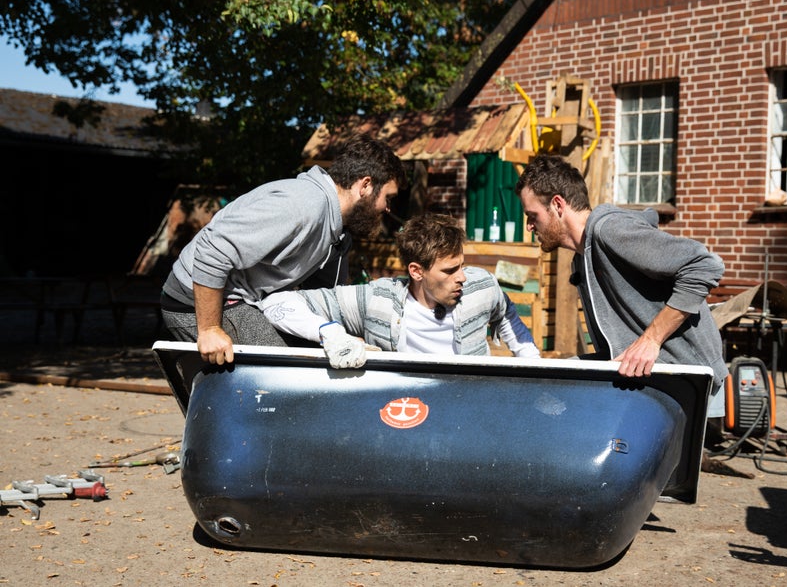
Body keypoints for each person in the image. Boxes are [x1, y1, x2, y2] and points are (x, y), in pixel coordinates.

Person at [160, 135, 405, 365]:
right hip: (198, 302)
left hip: (243, 299)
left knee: (325, 357)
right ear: (365, 185)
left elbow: (322, 297)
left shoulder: (335, 231)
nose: (387, 208)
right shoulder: (303, 205)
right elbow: (212, 250)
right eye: (389, 198)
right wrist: (210, 329)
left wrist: (346, 335)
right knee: (291, 373)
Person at [514, 154, 728, 417]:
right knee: (551, 387)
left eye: (532, 215)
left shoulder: (609, 230)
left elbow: (704, 265)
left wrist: (651, 340)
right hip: (643, 376)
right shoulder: (583, 258)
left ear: (558, 204)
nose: (529, 225)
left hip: (684, 377)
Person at [258, 213, 540, 368]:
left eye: (462, 266)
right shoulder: (379, 301)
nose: (462, 277)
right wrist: (329, 332)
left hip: (469, 407)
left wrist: (531, 362)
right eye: (449, 270)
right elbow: (277, 303)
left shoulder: (481, 286)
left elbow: (505, 314)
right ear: (417, 271)